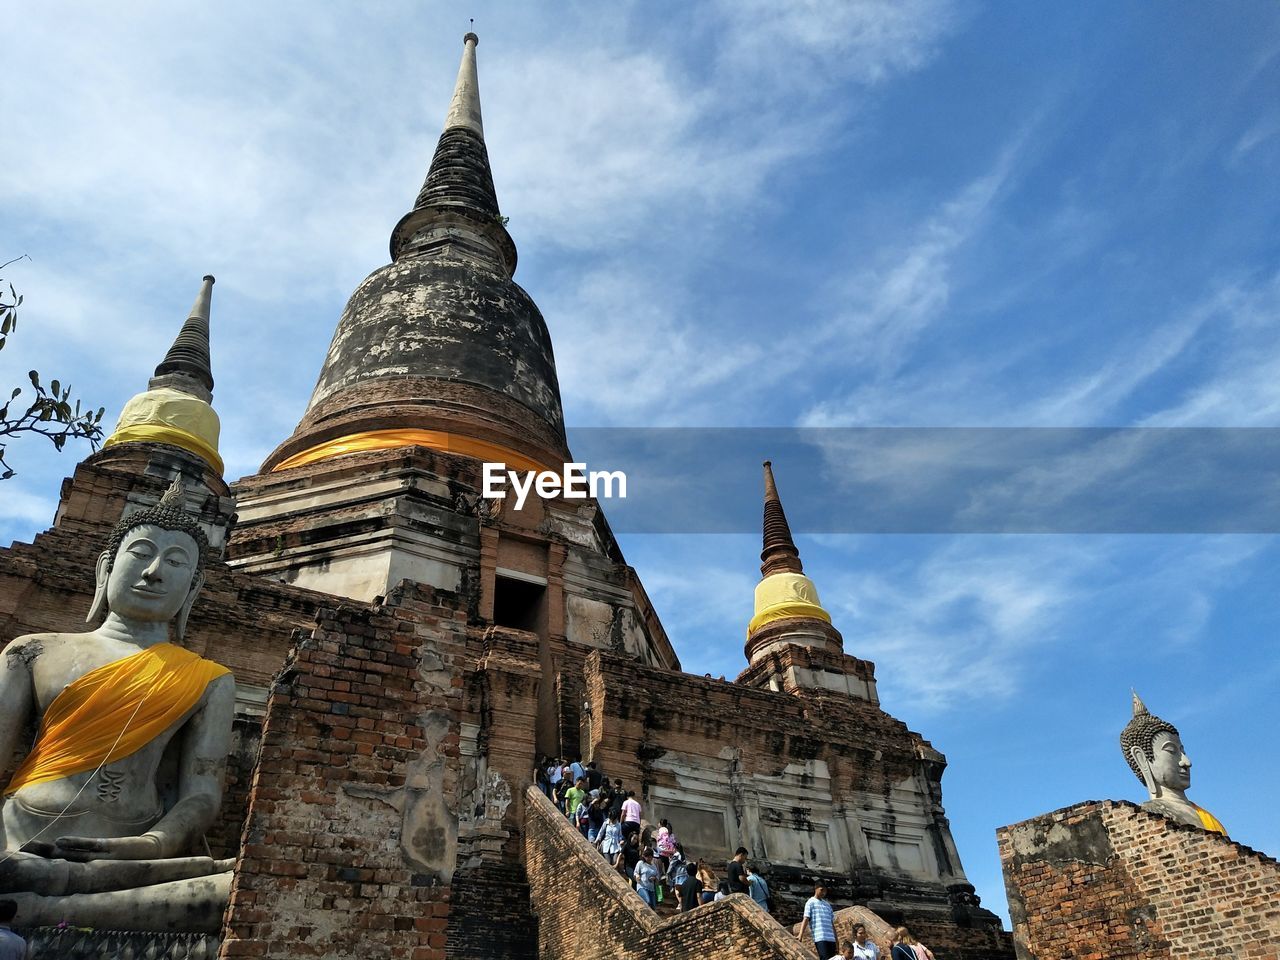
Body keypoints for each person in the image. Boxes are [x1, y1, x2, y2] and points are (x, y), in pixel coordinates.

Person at [798, 882, 837, 960]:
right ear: (816, 889)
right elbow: (806, 918)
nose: (823, 893)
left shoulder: (827, 905)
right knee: (824, 958)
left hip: (831, 938)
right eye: (821, 890)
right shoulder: (810, 903)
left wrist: (836, 938)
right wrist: (800, 934)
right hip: (820, 937)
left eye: (825, 891)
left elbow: (831, 923)